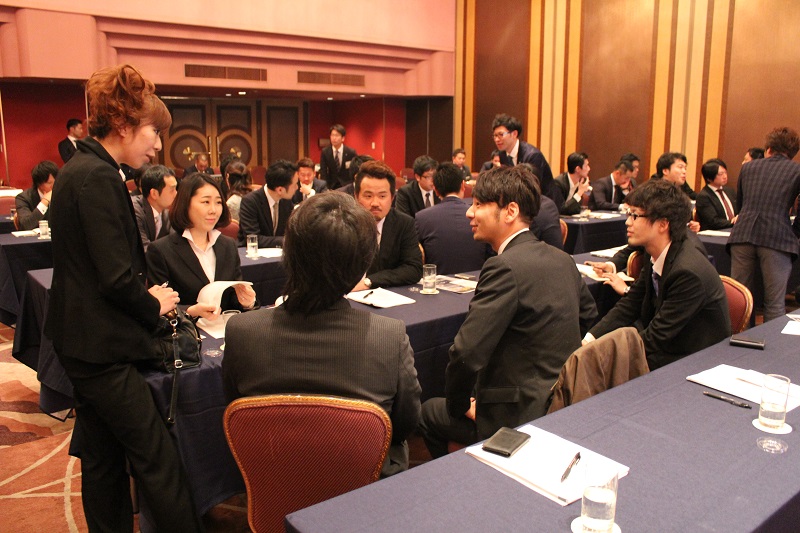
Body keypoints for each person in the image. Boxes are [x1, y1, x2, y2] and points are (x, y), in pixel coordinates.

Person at [44, 64, 202, 532]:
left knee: (102, 457)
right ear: (123, 123)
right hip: (101, 349)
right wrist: (155, 303)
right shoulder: (98, 176)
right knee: (158, 458)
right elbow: (114, 279)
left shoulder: (81, 169)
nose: (157, 145)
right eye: (154, 132)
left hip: (81, 341)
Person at [222, 192, 421, 476]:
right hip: (366, 486)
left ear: (288, 257)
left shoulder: (242, 330)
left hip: (274, 481)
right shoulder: (389, 336)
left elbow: (236, 412)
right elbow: (404, 423)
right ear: (362, 266)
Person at [418, 165, 597, 458]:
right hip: (561, 400)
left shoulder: (503, 267)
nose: (469, 212)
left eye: (478, 204)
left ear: (510, 211)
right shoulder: (562, 258)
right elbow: (588, 315)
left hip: (514, 416)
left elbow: (466, 354)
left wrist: (460, 406)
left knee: (428, 411)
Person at [585, 179, 730, 370]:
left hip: (695, 359)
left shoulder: (687, 272)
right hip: (668, 346)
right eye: (628, 214)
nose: (627, 222)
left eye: (635, 216)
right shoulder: (655, 250)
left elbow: (656, 336)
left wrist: (600, 357)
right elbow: (631, 304)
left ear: (662, 224)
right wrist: (589, 340)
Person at [147, 173, 256, 315]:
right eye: (206, 202)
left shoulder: (228, 245)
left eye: (218, 202)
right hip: (187, 327)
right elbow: (159, 307)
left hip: (224, 325)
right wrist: (190, 312)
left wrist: (246, 302)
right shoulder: (161, 250)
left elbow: (232, 297)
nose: (213, 210)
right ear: (186, 204)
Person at [729, 127, 800, 322]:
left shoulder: (748, 168)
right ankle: (769, 343)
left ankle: (737, 339)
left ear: (768, 148)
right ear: (793, 153)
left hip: (742, 235)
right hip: (777, 237)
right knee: (774, 303)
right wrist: (794, 232)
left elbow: (740, 205)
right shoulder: (796, 170)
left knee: (740, 300)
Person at [352, 160, 422, 291]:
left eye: (382, 196)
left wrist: (370, 281)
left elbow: (414, 269)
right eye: (368, 196)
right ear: (356, 197)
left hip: (386, 295)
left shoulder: (403, 223)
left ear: (392, 197)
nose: (375, 203)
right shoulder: (345, 224)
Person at [415, 162, 491, 274]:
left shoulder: (422, 218)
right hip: (478, 281)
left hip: (436, 283)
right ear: (463, 185)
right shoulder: (480, 216)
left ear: (435, 190)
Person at [491, 113, 559, 205]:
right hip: (522, 202)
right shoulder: (502, 154)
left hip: (544, 202)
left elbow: (531, 187)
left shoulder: (532, 155)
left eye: (501, 134)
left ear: (514, 134)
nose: (497, 139)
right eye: (495, 136)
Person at [237, 159, 298, 248]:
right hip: (252, 253)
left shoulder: (286, 201)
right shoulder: (250, 202)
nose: (297, 187)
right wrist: (286, 240)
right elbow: (253, 238)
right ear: (280, 190)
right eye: (295, 184)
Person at [132, 165, 176, 251]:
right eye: (172, 190)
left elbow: (175, 243)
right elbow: (144, 249)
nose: (176, 194)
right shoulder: (135, 211)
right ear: (154, 194)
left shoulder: (167, 213)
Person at [695, 158, 738, 230]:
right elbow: (713, 221)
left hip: (734, 229)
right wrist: (732, 222)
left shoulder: (729, 191)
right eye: (720, 174)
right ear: (709, 178)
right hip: (717, 232)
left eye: (725, 172)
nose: (725, 176)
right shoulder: (703, 196)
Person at [15, 160, 57, 230]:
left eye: (56, 182)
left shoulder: (63, 195)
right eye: (49, 183)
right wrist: (44, 202)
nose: (54, 186)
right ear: (38, 184)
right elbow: (26, 225)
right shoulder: (24, 198)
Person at [319, 124, 356, 189]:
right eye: (332, 135)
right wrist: (324, 186)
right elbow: (323, 171)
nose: (334, 138)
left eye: (337, 135)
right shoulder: (325, 152)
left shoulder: (350, 152)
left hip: (346, 185)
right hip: (331, 185)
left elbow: (354, 170)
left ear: (343, 138)